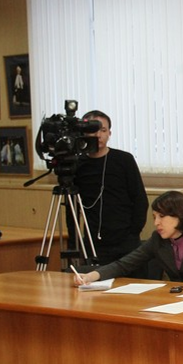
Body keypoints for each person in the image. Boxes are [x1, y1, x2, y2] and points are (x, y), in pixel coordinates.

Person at [73, 190, 183, 284]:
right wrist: (91, 276)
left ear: (179, 215)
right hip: (172, 298)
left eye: (161, 216)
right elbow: (125, 264)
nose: (156, 223)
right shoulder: (157, 239)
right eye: (154, 217)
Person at [73, 110, 149, 267]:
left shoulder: (124, 159)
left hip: (126, 239)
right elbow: (73, 207)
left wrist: (134, 232)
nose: (98, 135)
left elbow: (140, 198)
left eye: (103, 130)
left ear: (109, 133)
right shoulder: (77, 164)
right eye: (93, 130)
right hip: (93, 241)